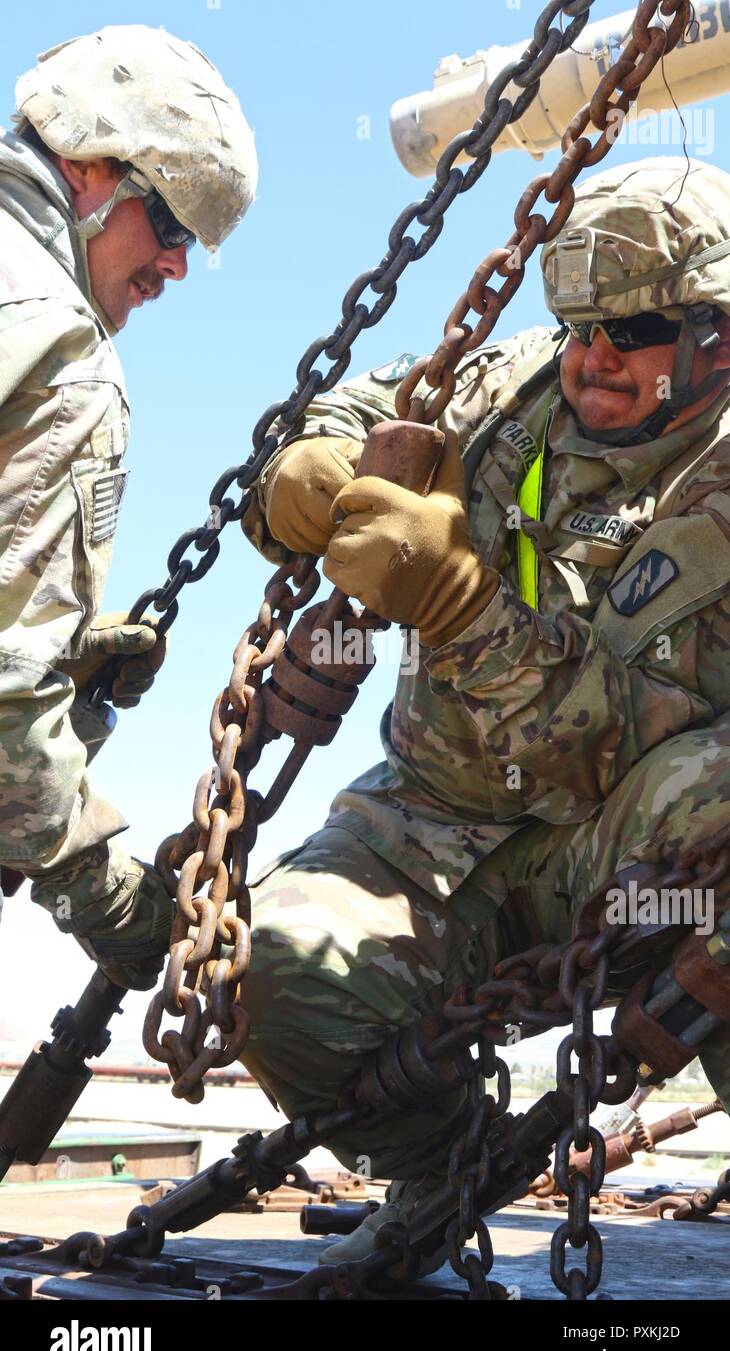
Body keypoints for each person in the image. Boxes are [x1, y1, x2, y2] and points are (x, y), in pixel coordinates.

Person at [238, 157, 730, 1265]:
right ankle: (444, 1163)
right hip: (434, 822)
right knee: (278, 983)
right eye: (574, 324)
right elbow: (371, 399)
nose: (591, 354)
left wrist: (458, 607)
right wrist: (308, 465)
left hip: (632, 860)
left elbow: (607, 757)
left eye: (633, 326)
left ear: (718, 332)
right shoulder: (518, 386)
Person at [0, 26, 257, 989]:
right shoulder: (63, 359)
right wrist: (103, 894)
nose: (178, 267)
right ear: (93, 168)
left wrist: (58, 645)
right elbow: (3, 701)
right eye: (173, 227)